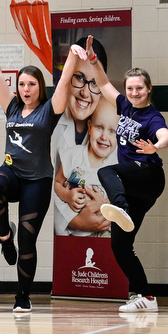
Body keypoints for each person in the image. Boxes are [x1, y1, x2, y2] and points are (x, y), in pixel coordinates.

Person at [0, 35, 67, 313]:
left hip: (38, 182)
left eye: (31, 84)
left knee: (28, 241)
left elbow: (65, 83)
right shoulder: (12, 106)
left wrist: (75, 58)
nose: (25, 88)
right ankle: (5, 239)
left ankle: (23, 296)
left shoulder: (49, 110)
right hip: (12, 173)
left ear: (39, 87)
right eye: (21, 84)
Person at [71, 35, 168, 313]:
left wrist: (156, 146)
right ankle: (147, 297)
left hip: (149, 176)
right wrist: (92, 61)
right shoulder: (125, 106)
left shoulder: (152, 116)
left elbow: (167, 136)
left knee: (106, 171)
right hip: (132, 185)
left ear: (148, 89)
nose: (134, 92)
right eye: (130, 88)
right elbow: (103, 83)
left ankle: (121, 207)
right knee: (120, 246)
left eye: (139, 88)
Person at [53, 37, 114, 235]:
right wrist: (78, 222)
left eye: (95, 83)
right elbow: (48, 188)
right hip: (63, 241)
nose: (86, 93)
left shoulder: (110, 130)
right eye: (79, 78)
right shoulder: (51, 124)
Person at [53, 98, 118, 236]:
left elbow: (122, 200)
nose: (104, 137)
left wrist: (106, 203)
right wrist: (68, 195)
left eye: (112, 131)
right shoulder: (73, 155)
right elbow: (57, 183)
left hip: (102, 233)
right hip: (72, 235)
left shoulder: (117, 167)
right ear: (89, 127)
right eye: (99, 127)